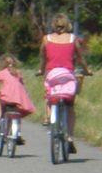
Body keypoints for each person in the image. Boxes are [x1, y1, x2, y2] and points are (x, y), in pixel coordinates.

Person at [39, 14, 90, 152]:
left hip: (52, 74)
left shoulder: (46, 39)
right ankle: (70, 137)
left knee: (49, 96)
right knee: (70, 106)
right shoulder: (73, 39)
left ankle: (48, 117)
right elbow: (80, 58)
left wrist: (41, 69)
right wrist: (87, 70)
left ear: (53, 25)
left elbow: (43, 58)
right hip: (67, 75)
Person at [0, 55, 35, 146]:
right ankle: (18, 133)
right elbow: (21, 84)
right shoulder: (18, 72)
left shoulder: (2, 73)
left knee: (0, 104)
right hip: (18, 98)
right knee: (16, 115)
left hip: (7, 97)